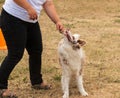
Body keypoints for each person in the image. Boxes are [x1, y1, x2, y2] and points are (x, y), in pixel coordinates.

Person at [0, 0, 64, 97]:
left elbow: (47, 3)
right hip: (13, 17)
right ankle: (1, 87)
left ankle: (36, 81)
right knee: (15, 54)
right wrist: (29, 8)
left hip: (31, 20)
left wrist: (57, 21)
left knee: (36, 50)